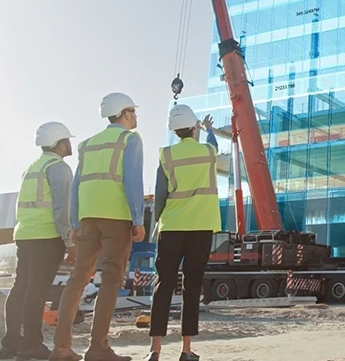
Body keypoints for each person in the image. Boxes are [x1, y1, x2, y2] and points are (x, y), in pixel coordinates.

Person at [50, 92, 146, 361]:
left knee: (77, 279)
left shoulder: (88, 144)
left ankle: (61, 347)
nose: (135, 117)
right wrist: (137, 220)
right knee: (111, 280)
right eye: (133, 112)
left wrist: (75, 222)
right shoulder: (130, 139)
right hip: (116, 217)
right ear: (125, 114)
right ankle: (98, 347)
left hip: (88, 218)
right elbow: (133, 183)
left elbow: (77, 185)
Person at [143, 105, 220, 361]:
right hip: (200, 226)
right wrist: (208, 130)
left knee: (163, 284)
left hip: (172, 226)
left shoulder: (166, 155)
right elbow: (213, 144)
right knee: (192, 284)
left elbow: (161, 195)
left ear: (174, 130)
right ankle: (186, 350)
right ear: (194, 127)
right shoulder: (207, 152)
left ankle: (154, 350)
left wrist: (158, 223)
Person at [0, 122, 76, 361]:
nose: (70, 144)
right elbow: (61, 209)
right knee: (37, 292)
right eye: (68, 140)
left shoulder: (32, 167)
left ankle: (10, 344)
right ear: (61, 143)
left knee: (19, 288)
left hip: (25, 235)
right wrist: (69, 240)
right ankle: (31, 344)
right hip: (46, 237)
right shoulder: (59, 168)